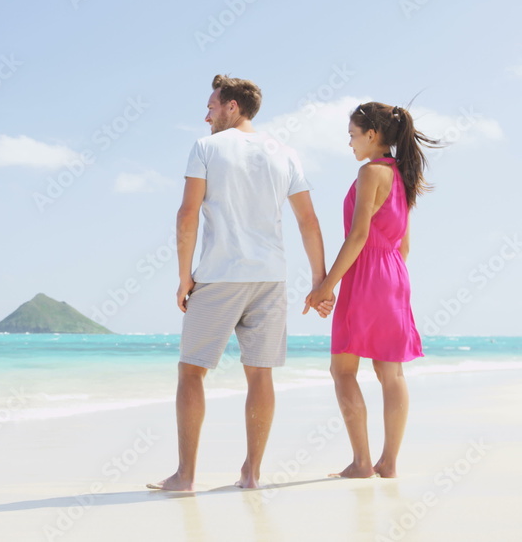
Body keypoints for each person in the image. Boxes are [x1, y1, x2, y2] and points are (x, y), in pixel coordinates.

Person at [148, 75, 329, 492]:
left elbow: (187, 215)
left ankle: (186, 476)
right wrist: (318, 280)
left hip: (220, 275)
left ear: (232, 106)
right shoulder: (284, 152)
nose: (206, 114)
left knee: (191, 373)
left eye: (211, 105)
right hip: (270, 277)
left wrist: (183, 276)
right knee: (260, 374)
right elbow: (308, 220)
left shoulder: (206, 147)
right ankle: (251, 474)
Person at [305, 102, 439, 478]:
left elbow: (358, 235)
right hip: (395, 276)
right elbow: (405, 246)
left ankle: (362, 463)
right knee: (391, 373)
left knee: (343, 370)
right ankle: (390, 463)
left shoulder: (370, 173)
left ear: (372, 135)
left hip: (365, 274)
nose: (350, 144)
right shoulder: (402, 176)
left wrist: (325, 286)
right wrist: (388, 281)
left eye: (352, 135)